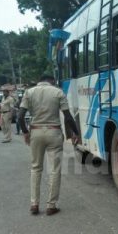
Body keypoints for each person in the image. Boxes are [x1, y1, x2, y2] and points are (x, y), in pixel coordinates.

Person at [18, 74, 80, 216]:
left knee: (35, 168)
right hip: (54, 133)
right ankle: (51, 205)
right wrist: (75, 133)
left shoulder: (29, 92)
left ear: (40, 81)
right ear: (51, 81)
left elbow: (20, 116)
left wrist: (26, 133)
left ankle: (34, 203)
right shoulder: (58, 92)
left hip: (36, 133)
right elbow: (68, 116)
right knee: (54, 170)